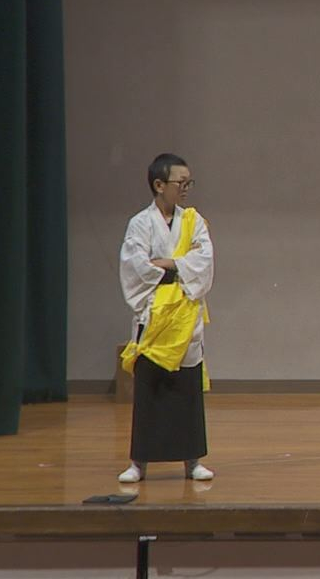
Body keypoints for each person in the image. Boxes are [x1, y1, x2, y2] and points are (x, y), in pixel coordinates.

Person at [117, 153, 215, 483]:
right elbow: (135, 265)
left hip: (184, 315)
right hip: (156, 315)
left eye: (189, 182)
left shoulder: (194, 221)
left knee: (187, 390)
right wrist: (174, 266)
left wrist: (169, 264)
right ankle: (138, 463)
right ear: (159, 185)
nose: (186, 188)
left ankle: (192, 461)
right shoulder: (140, 224)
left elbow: (203, 259)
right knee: (150, 391)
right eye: (180, 182)